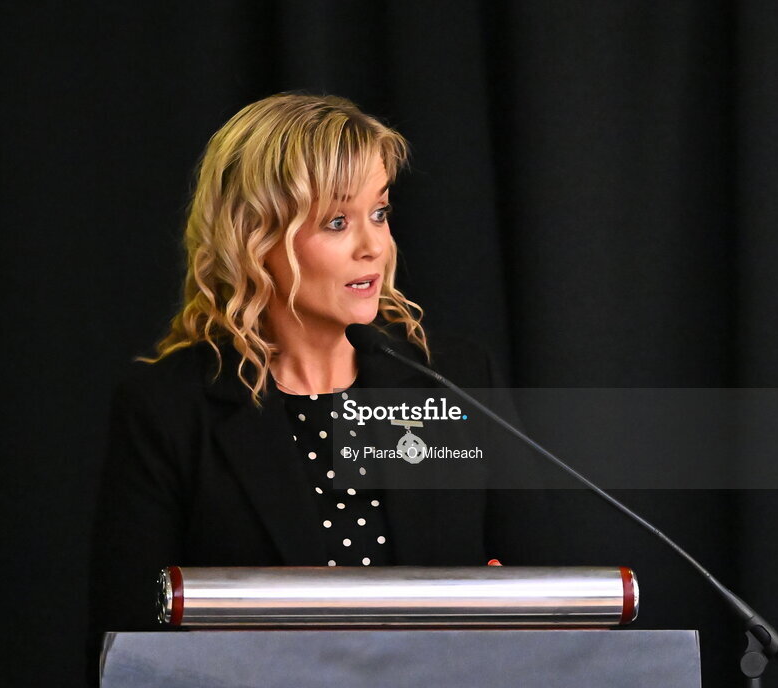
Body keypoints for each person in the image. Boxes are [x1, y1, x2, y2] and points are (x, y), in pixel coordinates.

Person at [87, 93, 553, 681]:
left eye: (378, 213)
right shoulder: (167, 408)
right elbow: (131, 653)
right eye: (337, 222)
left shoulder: (457, 380)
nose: (373, 246)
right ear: (254, 237)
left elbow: (544, 596)